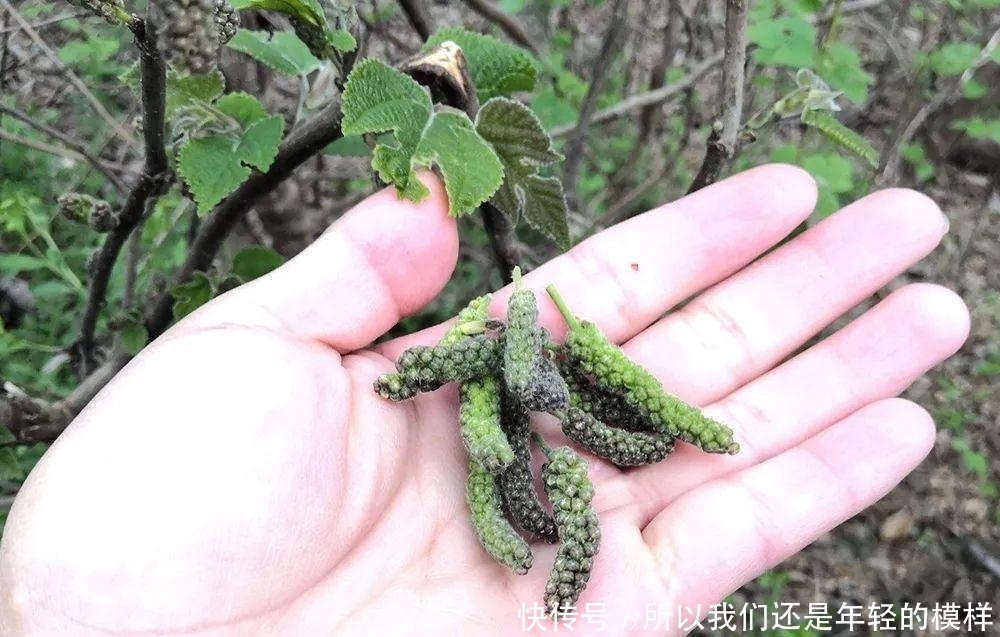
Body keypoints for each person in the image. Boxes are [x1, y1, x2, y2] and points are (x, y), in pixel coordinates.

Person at [0, 165, 969, 636]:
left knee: (606, 434)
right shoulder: (496, 397)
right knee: (538, 447)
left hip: (548, 391)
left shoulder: (550, 379)